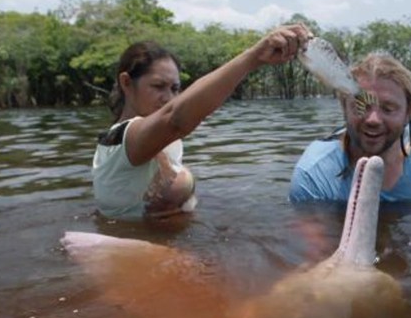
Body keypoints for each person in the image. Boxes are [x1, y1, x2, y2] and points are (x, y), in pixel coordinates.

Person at [93, 24, 312, 220]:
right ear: (126, 83)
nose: (169, 98)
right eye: (158, 86)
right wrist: (253, 57)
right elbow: (175, 118)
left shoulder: (158, 142)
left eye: (175, 89)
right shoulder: (122, 139)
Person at [289, 53, 411, 204]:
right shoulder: (314, 174)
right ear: (345, 108)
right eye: (360, 106)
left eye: (388, 109)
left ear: (408, 113)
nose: (373, 120)